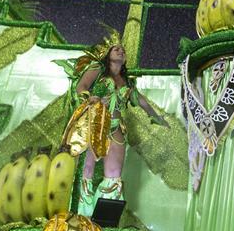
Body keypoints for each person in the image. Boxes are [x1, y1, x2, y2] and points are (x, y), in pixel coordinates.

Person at [58, 28, 164, 215]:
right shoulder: (97, 69)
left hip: (116, 127)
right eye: (116, 48)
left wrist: (157, 117)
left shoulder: (127, 82)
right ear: (107, 54)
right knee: (87, 168)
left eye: (123, 50)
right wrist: (91, 98)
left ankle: (105, 219)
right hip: (94, 122)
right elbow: (80, 87)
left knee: (114, 174)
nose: (120, 50)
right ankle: (81, 214)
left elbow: (141, 101)